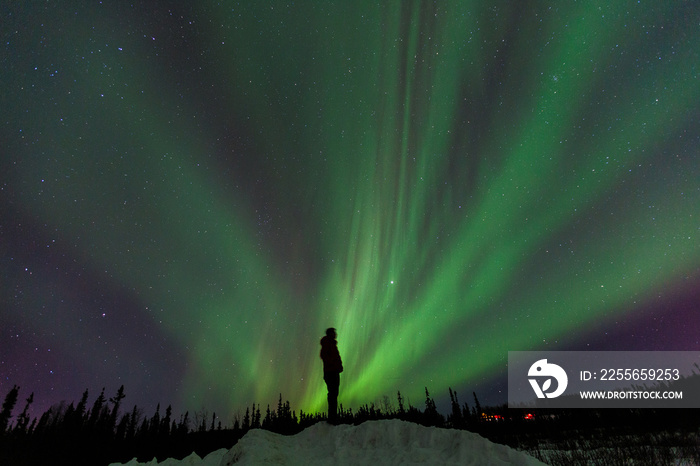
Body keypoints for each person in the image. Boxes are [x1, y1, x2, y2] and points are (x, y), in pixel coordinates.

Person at [320, 327, 343, 423]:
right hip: (331, 372)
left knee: (334, 394)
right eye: (334, 333)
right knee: (333, 394)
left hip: (334, 371)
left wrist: (339, 366)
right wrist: (334, 365)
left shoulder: (332, 344)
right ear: (330, 334)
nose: (335, 334)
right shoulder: (327, 344)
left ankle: (333, 417)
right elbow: (324, 356)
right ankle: (332, 418)